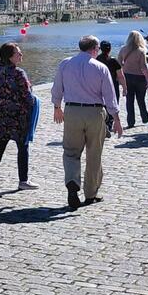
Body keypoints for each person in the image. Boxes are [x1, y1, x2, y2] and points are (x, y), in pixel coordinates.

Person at [50, 35, 123, 211]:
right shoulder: (101, 67)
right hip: (95, 112)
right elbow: (110, 96)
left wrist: (57, 107)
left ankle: (72, 182)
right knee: (94, 153)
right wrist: (117, 119)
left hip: (72, 111)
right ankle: (91, 192)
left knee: (71, 151)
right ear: (95, 49)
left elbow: (57, 88)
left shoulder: (65, 63)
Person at [0, 42, 38, 193]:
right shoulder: (19, 73)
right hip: (17, 117)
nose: (21, 55)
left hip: (0, 115)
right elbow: (27, 96)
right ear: (9, 57)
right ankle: (23, 180)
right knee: (23, 147)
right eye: (17, 53)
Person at [118, 31, 148, 128]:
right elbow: (144, 67)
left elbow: (119, 63)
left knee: (129, 100)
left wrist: (124, 68)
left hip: (127, 77)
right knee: (141, 99)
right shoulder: (141, 51)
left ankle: (130, 121)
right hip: (139, 77)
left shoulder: (123, 49)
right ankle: (145, 118)